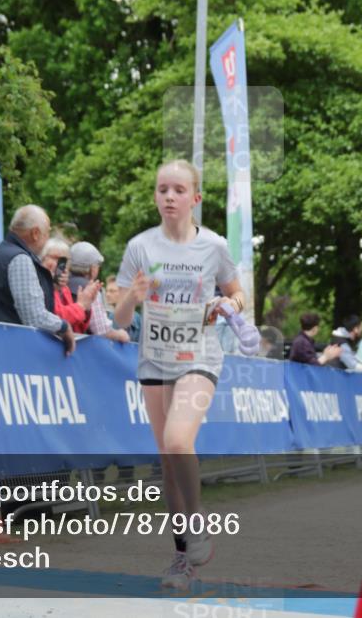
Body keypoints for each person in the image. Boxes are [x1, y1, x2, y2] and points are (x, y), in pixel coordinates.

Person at [112, 160, 245, 590]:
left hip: (200, 355)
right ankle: (183, 560)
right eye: (162, 189)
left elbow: (238, 293)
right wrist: (131, 298)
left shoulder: (214, 247)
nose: (169, 196)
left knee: (176, 441)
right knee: (168, 464)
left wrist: (231, 306)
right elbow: (118, 314)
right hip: (155, 359)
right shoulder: (140, 247)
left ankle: (196, 523)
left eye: (178, 190)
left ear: (195, 198)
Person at [0, 205, 75, 356]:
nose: (48, 238)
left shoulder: (1, 252)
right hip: (10, 352)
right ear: (35, 233)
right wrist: (63, 326)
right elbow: (34, 316)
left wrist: (51, 285)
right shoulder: (20, 259)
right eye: (47, 233)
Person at [69, 242, 130, 343]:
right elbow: (102, 330)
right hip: (82, 349)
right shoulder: (91, 290)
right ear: (92, 268)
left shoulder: (60, 284)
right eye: (97, 265)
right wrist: (120, 335)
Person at [40, 237, 99, 335]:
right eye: (54, 258)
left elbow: (77, 329)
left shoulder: (64, 289)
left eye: (63, 261)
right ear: (42, 258)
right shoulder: (40, 282)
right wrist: (81, 306)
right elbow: (56, 317)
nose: (57, 264)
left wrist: (87, 307)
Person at [106, 274, 141, 341]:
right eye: (107, 291)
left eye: (112, 291)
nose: (107, 294)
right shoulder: (138, 317)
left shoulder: (114, 316)